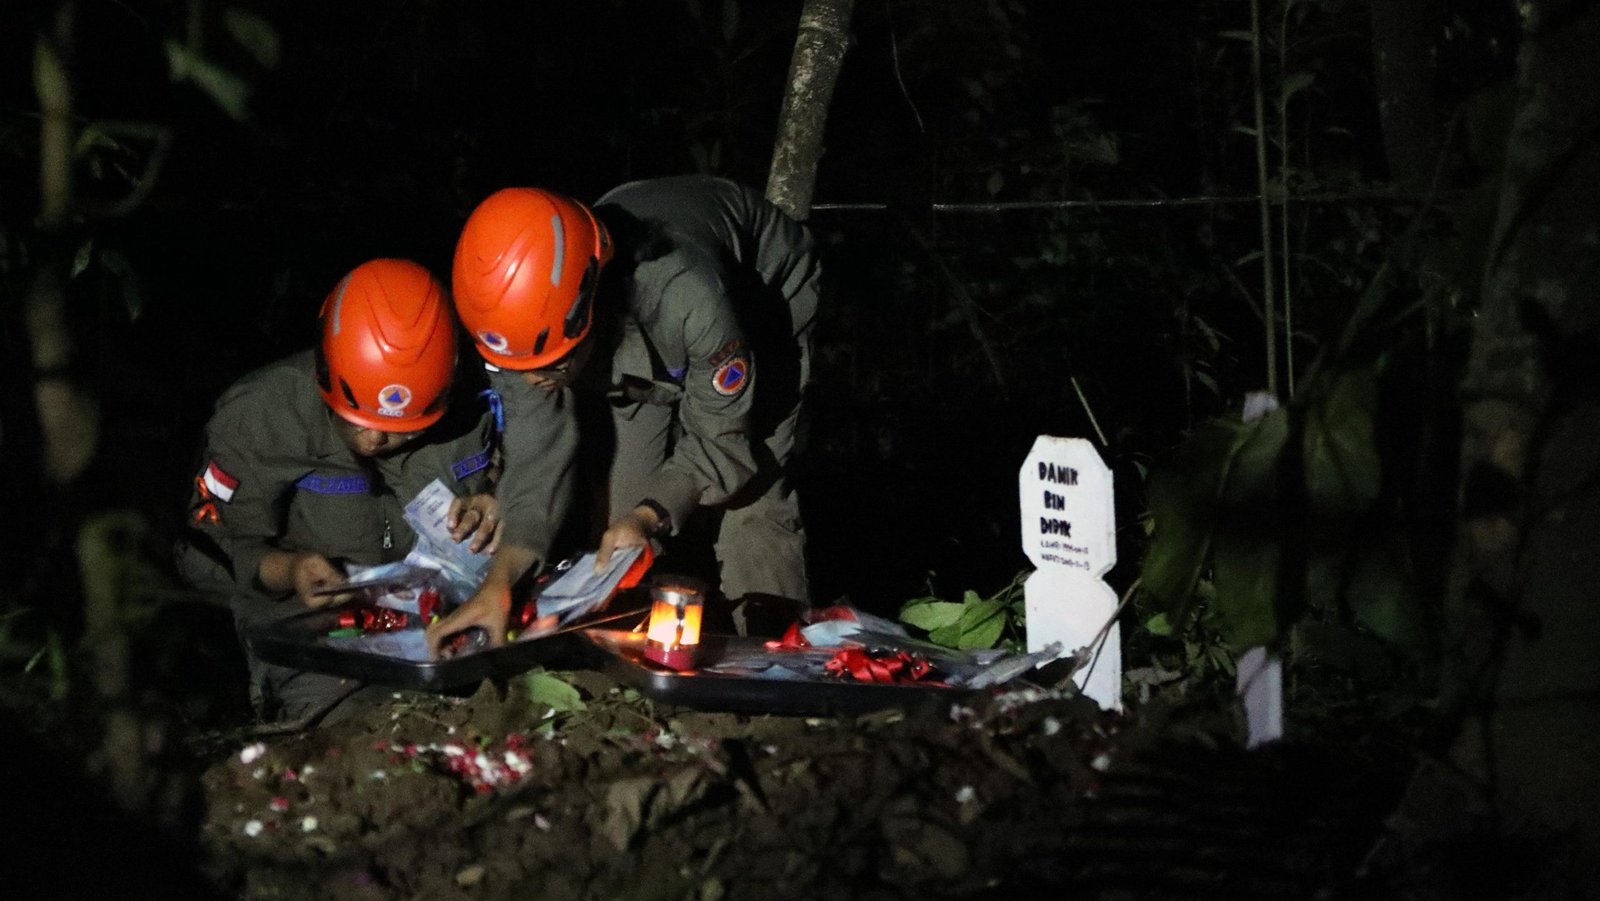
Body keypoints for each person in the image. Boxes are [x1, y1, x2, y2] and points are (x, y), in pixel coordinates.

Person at [428, 175, 820, 650]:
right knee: (621, 514)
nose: (530, 381)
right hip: (615, 329)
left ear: (588, 306)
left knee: (751, 495)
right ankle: (626, 652)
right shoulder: (520, 324)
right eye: (514, 368)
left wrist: (654, 514)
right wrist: (499, 584)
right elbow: (536, 463)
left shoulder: (687, 297)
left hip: (761, 294)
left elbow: (722, 440)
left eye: (547, 366)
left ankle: (774, 656)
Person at [176, 258, 504, 722]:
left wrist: (496, 501)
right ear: (326, 372)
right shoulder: (262, 418)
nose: (372, 442)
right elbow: (203, 551)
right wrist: (288, 570)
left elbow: (530, 477)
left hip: (453, 624)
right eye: (356, 418)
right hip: (319, 647)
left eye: (401, 431)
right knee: (359, 746)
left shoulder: (482, 400)